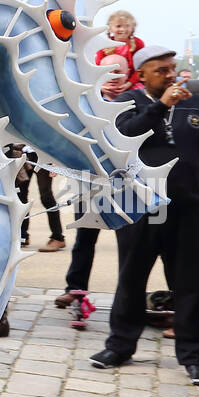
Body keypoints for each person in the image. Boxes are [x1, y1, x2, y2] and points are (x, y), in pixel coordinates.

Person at [90, 45, 199, 386]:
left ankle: (195, 357)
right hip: (141, 209)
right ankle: (119, 347)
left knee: (189, 285)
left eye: (172, 68)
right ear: (141, 74)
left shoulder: (193, 103)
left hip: (187, 210)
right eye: (162, 70)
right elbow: (125, 135)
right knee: (130, 280)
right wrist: (161, 106)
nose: (171, 75)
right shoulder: (125, 102)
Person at [56, 54, 128, 310]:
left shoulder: (135, 101)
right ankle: (75, 289)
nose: (113, 77)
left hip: (126, 184)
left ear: (127, 73)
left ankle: (127, 299)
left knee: (130, 243)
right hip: (89, 179)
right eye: (108, 71)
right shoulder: (86, 100)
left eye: (118, 71)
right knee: (84, 238)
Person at [6, 143, 64, 251]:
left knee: (46, 196)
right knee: (20, 196)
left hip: (43, 153)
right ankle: (22, 235)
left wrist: (55, 160)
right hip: (21, 153)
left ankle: (58, 237)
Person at [94, 10, 144, 88]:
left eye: (127, 26)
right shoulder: (104, 45)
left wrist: (129, 84)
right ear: (110, 28)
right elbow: (98, 68)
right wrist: (102, 87)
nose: (123, 29)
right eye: (118, 26)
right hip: (108, 83)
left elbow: (141, 67)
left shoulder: (138, 44)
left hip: (131, 83)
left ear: (132, 28)